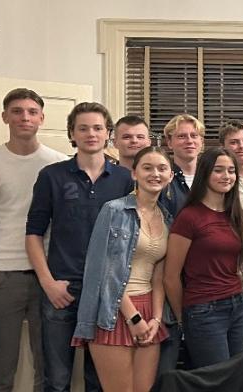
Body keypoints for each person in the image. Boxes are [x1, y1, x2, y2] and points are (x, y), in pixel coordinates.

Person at [25, 102, 133, 392]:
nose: (91, 134)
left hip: (106, 292)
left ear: (108, 133)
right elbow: (33, 233)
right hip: (63, 290)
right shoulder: (52, 176)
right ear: (72, 133)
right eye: (83, 128)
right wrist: (48, 283)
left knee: (99, 381)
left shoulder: (124, 178)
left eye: (98, 128)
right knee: (57, 380)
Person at [0, 88, 69, 392]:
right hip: (1, 275)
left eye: (32, 112)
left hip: (49, 276)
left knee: (49, 367)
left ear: (42, 118)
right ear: (4, 116)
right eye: (17, 111)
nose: (25, 117)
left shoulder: (59, 164)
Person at [72, 146, 174, 392]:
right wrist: (133, 317)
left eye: (162, 168)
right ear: (134, 173)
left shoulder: (167, 218)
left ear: (170, 176)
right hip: (113, 311)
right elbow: (102, 270)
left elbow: (159, 275)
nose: (155, 174)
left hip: (149, 311)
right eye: (147, 168)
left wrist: (155, 318)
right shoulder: (114, 210)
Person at [164, 147, 243, 369]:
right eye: (219, 170)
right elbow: (171, 277)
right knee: (217, 379)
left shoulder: (237, 215)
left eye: (231, 171)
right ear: (205, 173)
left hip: (237, 306)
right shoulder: (189, 217)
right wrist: (183, 319)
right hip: (204, 310)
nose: (226, 176)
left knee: (235, 376)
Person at [158, 113, 205, 372]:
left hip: (203, 280)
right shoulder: (162, 179)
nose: (189, 141)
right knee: (167, 364)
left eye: (194, 136)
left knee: (202, 366)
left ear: (201, 141)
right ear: (169, 142)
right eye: (181, 136)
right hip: (167, 278)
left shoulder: (212, 179)